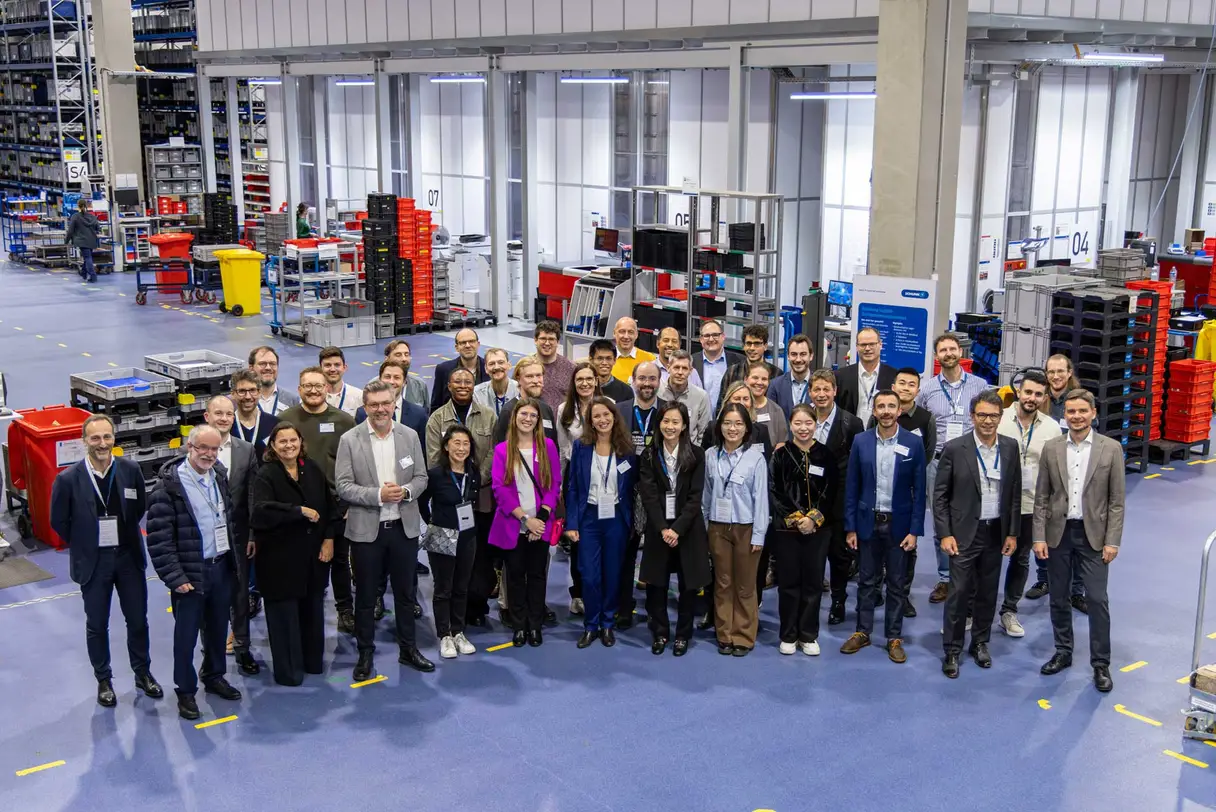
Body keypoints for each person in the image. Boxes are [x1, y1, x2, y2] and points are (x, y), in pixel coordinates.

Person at [50, 414, 161, 708]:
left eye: (107, 437)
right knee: (97, 624)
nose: (102, 443)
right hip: (94, 562)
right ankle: (104, 679)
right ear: (84, 440)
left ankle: (142, 673)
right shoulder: (68, 479)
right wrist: (86, 542)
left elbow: (139, 507)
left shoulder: (130, 470)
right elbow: (59, 521)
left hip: (128, 558)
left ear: (114, 438)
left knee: (137, 620)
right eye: (95, 438)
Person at [335, 381, 433, 681]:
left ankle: (408, 649)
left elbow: (421, 477)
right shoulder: (349, 440)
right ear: (365, 406)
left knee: (405, 594)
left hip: (403, 529)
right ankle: (365, 653)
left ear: (393, 404)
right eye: (374, 404)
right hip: (367, 532)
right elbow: (343, 486)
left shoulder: (409, 436)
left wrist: (405, 492)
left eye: (385, 403)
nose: (380, 409)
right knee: (365, 597)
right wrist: (379, 495)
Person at [147, 424, 242, 721]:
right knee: (185, 637)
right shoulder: (169, 487)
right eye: (203, 448)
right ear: (190, 447)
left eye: (214, 449)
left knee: (217, 629)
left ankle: (214, 675)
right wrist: (175, 578)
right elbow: (159, 539)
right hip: (189, 574)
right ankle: (185, 690)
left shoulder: (219, 476)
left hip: (220, 567)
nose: (209, 454)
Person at [1033, 388, 1124, 693]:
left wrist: (1112, 541)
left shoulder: (1111, 449)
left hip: (1094, 536)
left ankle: (1101, 663)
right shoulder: (1052, 448)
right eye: (1071, 411)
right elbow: (1042, 497)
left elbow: (1116, 501)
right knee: (1058, 596)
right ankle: (1063, 651)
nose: (1076, 416)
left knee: (1097, 599)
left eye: (1082, 411)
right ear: (1065, 414)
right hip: (1058, 534)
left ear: (1093, 413)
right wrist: (1039, 536)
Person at [934, 391, 1021, 678]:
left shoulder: (1010, 447)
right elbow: (940, 496)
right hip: (962, 533)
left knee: (987, 592)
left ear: (1000, 417)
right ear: (972, 416)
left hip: (995, 531)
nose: (987, 421)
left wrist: (1012, 533)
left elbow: (1014, 494)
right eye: (982, 415)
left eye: (993, 416)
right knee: (958, 593)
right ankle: (952, 649)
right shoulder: (954, 448)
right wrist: (945, 534)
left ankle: (980, 642)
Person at [840, 390, 926, 664]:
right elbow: (852, 486)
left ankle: (893, 637)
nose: (886, 411)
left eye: (891, 406)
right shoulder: (861, 441)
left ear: (900, 410)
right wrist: (850, 527)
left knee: (897, 584)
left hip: (899, 526)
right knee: (866, 582)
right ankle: (862, 631)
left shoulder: (913, 443)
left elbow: (920, 491)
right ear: (874, 411)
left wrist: (915, 531)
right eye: (881, 406)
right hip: (867, 523)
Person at [249, 422, 337, 686]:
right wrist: (297, 511)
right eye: (282, 441)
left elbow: (330, 507)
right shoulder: (266, 474)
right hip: (280, 561)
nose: (289, 446)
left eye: (293, 440)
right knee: (284, 617)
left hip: (312, 558)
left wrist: (329, 539)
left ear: (301, 442)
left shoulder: (311, 468)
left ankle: (312, 662)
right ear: (273, 446)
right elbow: (261, 512)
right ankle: (289, 672)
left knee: (312, 612)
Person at [279, 367, 358, 630]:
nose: (313, 391)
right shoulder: (286, 420)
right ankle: (303, 609)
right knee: (302, 559)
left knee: (340, 559)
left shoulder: (344, 421)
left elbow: (356, 463)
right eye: (307, 386)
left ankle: (345, 609)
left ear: (327, 388)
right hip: (298, 505)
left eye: (318, 385)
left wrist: (348, 503)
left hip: (336, 504)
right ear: (299, 389)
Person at [915, 333, 991, 605]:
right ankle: (946, 578)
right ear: (937, 356)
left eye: (952, 349)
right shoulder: (927, 390)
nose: (948, 353)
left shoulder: (980, 386)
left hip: (971, 462)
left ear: (960, 351)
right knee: (941, 521)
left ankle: (969, 575)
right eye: (943, 350)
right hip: (938, 462)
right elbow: (920, 424)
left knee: (972, 519)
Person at [565, 396, 638, 648]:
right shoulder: (581, 447)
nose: (602, 419)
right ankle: (590, 625)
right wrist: (572, 523)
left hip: (616, 518)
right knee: (589, 575)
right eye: (596, 416)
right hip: (589, 518)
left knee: (612, 573)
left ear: (614, 417)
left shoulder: (627, 449)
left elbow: (633, 488)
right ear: (591, 421)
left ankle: (607, 623)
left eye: (606, 414)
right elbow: (573, 487)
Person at [638, 402, 710, 656]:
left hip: (687, 529)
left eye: (675, 422)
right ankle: (660, 632)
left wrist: (677, 529)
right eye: (665, 421)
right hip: (659, 529)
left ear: (684, 426)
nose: (670, 426)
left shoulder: (697, 454)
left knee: (688, 585)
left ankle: (682, 635)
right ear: (659, 424)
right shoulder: (649, 455)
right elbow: (648, 496)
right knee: (656, 584)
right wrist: (663, 529)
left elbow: (695, 496)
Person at [490, 398, 562, 647]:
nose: (528, 419)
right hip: (514, 524)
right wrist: (525, 519)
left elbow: (554, 483)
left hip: (540, 524)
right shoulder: (503, 450)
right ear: (515, 417)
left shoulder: (547, 446)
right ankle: (519, 625)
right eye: (524, 414)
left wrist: (540, 519)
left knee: (537, 576)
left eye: (533, 415)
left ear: (538, 420)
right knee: (515, 577)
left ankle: (535, 625)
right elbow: (500, 489)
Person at [996, 369, 1062, 638]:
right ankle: (972, 611)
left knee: (1020, 559)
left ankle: (1009, 611)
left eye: (1038, 394)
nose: (1031, 398)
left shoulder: (1051, 428)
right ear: (1018, 391)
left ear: (1044, 397)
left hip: (1029, 506)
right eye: (1028, 392)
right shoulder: (999, 419)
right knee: (985, 559)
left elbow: (1055, 470)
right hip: (995, 504)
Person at [768, 404, 838, 656]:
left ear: (815, 424)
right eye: (798, 423)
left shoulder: (826, 455)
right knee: (788, 583)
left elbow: (831, 490)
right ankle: (788, 634)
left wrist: (814, 519)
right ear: (790, 425)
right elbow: (775, 491)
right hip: (787, 531)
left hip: (819, 530)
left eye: (808, 423)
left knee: (813, 582)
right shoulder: (780, 455)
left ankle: (808, 635)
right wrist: (797, 519)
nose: (803, 428)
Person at [702, 403, 769, 656]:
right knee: (723, 582)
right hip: (717, 527)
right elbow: (706, 495)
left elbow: (761, 500)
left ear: (746, 428)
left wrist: (759, 535)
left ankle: (743, 635)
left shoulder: (755, 458)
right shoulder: (710, 455)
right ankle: (725, 633)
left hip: (746, 528)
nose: (733, 428)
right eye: (728, 423)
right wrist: (706, 527)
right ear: (719, 426)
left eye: (738, 424)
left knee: (745, 585)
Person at [870, 367, 936, 617]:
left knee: (907, 547)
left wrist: (906, 473)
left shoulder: (926, 419)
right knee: (877, 544)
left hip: (907, 492)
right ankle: (875, 590)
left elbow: (927, 453)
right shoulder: (881, 414)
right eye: (902, 383)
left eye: (911, 384)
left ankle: (902, 595)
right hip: (880, 490)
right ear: (894, 386)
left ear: (917, 390)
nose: (906, 388)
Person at [203, 396, 260, 676]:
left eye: (228, 414)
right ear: (207, 416)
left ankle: (242, 647)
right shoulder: (195, 447)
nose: (224, 418)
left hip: (238, 535)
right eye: (218, 413)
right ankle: (211, 652)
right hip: (206, 538)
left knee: (240, 595)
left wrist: (252, 534)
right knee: (209, 595)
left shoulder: (245, 450)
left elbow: (252, 495)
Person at [419, 425, 481, 660]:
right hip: (441, 536)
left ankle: (458, 631)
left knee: (462, 587)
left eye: (466, 444)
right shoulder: (435, 475)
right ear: (446, 446)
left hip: (467, 537)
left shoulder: (473, 473)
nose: (461, 448)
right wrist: (433, 523)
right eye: (457, 443)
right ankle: (444, 634)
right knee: (443, 588)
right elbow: (422, 503)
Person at [809, 369, 864, 625]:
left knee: (839, 557)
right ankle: (810, 602)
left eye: (826, 389)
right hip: (810, 499)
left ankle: (838, 601)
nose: (821, 394)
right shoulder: (803, 418)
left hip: (840, 500)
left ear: (835, 391)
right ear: (810, 392)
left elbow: (858, 466)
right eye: (816, 389)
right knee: (812, 556)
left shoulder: (851, 423)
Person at [613, 360, 665, 626]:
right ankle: (623, 608)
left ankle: (656, 612)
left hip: (657, 493)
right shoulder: (619, 411)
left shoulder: (668, 411)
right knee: (626, 554)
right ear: (633, 380)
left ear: (659, 381)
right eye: (642, 378)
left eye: (652, 379)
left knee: (656, 556)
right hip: (625, 491)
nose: (647, 384)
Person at [357, 360, 429, 449]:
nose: (391, 381)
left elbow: (422, 450)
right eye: (387, 377)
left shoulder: (419, 414)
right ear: (379, 380)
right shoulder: (362, 413)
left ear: (404, 382)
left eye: (397, 377)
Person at [836, 327, 898, 428]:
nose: (867, 348)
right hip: (849, 434)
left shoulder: (893, 376)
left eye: (872, 344)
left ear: (880, 345)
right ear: (857, 347)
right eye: (863, 345)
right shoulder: (841, 376)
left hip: (882, 433)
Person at [492, 356, 559, 445]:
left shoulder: (546, 409)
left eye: (539, 375)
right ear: (518, 379)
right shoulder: (508, 411)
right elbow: (501, 448)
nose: (536, 381)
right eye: (529, 376)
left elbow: (554, 446)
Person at [716, 324, 780, 411]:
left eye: (757, 344)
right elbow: (721, 405)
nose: (752, 348)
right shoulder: (732, 372)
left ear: (765, 346)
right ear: (743, 346)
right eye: (749, 343)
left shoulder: (776, 373)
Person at [657, 349, 711, 445]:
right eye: (676, 367)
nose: (680, 372)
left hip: (690, 451)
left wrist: (695, 451)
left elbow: (704, 432)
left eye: (685, 368)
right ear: (668, 368)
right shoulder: (657, 391)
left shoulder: (701, 396)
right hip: (661, 448)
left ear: (690, 371)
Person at [431, 328, 489, 411]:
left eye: (471, 341)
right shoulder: (443, 370)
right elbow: (436, 405)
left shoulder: (489, 368)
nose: (468, 345)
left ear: (478, 344)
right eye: (463, 343)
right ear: (456, 347)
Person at [556, 360, 601, 463]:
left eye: (589, 379)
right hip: (576, 465)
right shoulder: (563, 409)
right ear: (574, 382)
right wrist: (562, 472)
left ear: (596, 381)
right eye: (580, 379)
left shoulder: (609, 405)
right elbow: (563, 447)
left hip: (602, 464)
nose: (584, 383)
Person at [693, 318, 742, 408]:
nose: (711, 339)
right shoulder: (691, 362)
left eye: (715, 335)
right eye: (706, 335)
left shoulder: (739, 361)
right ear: (700, 339)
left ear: (723, 337)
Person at [231, 368, 277, 457]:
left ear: (259, 392)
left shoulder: (274, 424)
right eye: (242, 391)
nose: (248, 397)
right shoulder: (227, 425)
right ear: (233, 394)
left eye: (252, 390)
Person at [767, 333, 815, 419]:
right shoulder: (775, 385)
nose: (798, 359)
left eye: (803, 354)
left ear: (811, 356)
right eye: (794, 354)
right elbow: (771, 419)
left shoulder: (819, 385)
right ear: (788, 356)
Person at [745, 360, 788, 448]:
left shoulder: (776, 410)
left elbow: (781, 442)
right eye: (755, 378)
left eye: (764, 379)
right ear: (745, 379)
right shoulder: (737, 407)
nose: (759, 382)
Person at [534, 319, 575, 410]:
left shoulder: (570, 368)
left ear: (558, 342)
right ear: (535, 340)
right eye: (543, 338)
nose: (547, 343)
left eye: (551, 339)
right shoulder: (526, 367)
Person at [249, 346, 300, 416]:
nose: (268, 368)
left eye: (272, 364)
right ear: (251, 368)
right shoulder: (240, 399)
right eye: (262, 364)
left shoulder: (292, 400)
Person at [381, 339, 429, 409]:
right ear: (387, 359)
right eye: (398, 355)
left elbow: (426, 412)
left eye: (406, 354)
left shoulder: (420, 385)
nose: (404, 359)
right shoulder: (372, 386)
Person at [473, 347, 519, 418]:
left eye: (501, 362)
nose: (496, 367)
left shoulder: (520, 390)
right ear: (486, 369)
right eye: (491, 364)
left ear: (509, 366)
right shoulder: (477, 393)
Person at [319, 346, 362, 418]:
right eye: (328, 365)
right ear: (320, 369)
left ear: (344, 368)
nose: (332, 369)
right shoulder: (313, 396)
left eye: (337, 365)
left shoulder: (359, 396)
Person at [66, 198, 102, 282]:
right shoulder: (92, 216)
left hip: (82, 240)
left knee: (87, 257)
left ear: (78, 206)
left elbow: (70, 230)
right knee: (87, 256)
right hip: (92, 240)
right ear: (86, 206)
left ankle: (93, 276)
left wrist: (66, 241)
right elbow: (98, 228)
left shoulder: (75, 216)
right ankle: (84, 272)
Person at [610, 316, 657, 382]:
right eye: (622, 331)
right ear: (614, 333)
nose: (626, 336)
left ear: (636, 335)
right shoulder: (604, 359)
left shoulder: (650, 359)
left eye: (630, 332)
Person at [1044, 354, 1081, 425]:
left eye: (1060, 371)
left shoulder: (1081, 402)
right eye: (1051, 372)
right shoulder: (1039, 399)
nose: (1056, 376)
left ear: (1069, 373)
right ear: (1046, 374)